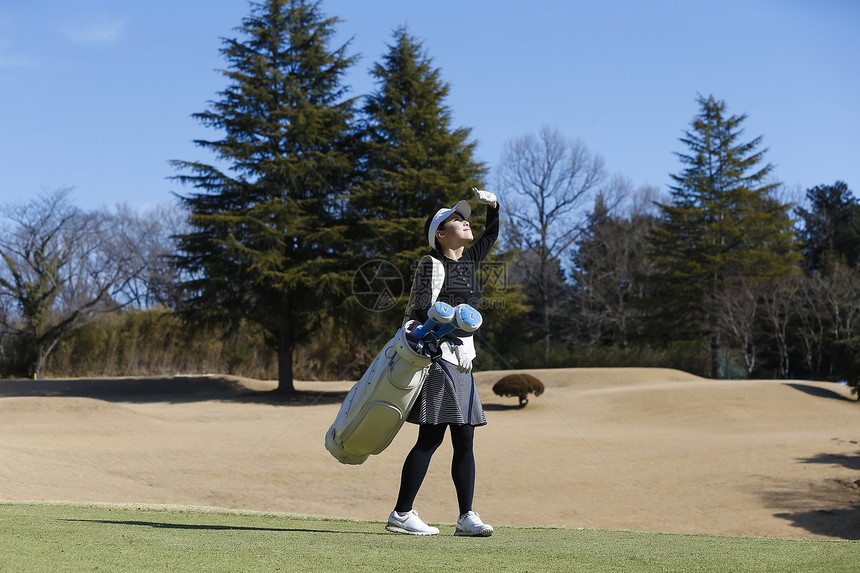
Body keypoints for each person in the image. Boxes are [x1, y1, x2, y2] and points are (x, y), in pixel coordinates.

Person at [385, 188, 499, 537]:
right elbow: (422, 312)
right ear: (440, 233)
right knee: (431, 438)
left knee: (464, 440)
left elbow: (491, 233)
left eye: (466, 218)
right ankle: (402, 514)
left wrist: (494, 205)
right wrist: (449, 336)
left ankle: (466, 516)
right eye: (456, 219)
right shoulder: (430, 264)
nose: (465, 222)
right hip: (440, 359)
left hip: (464, 362)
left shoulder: (469, 261)